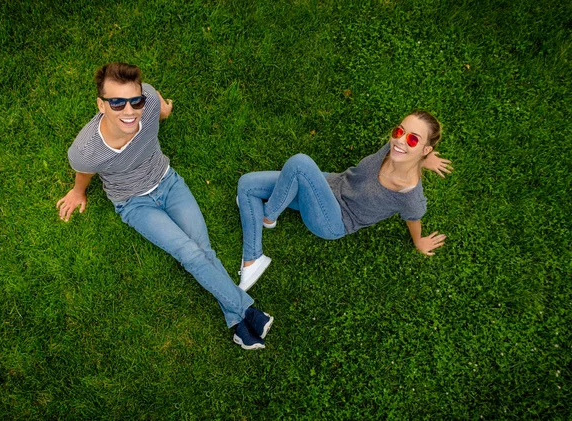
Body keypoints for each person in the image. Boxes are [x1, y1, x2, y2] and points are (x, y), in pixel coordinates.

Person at [56, 62, 272, 350]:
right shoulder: (86, 150)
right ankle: (247, 311)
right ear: (101, 104)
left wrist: (162, 109)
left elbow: (153, 97)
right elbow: (85, 173)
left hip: (170, 183)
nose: (129, 111)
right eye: (117, 103)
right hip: (134, 203)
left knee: (205, 252)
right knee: (190, 253)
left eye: (135, 101)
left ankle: (236, 324)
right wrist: (77, 191)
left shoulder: (149, 102)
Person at [236, 111, 452, 291]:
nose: (400, 140)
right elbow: (405, 152)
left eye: (412, 139)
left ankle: (261, 235)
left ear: (425, 148)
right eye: (399, 131)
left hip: (333, 220)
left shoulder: (410, 196)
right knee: (246, 185)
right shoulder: (393, 148)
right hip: (330, 184)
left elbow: (414, 217)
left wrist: (418, 241)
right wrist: (424, 159)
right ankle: (262, 230)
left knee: (299, 164)